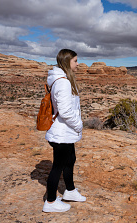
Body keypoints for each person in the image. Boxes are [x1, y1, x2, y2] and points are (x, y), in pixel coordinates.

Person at [42, 49, 86, 213]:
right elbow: (66, 111)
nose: (78, 64)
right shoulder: (63, 82)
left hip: (65, 133)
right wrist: (78, 125)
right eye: (75, 61)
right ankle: (51, 202)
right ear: (68, 62)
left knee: (70, 159)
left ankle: (70, 191)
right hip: (62, 133)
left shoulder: (62, 80)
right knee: (58, 167)